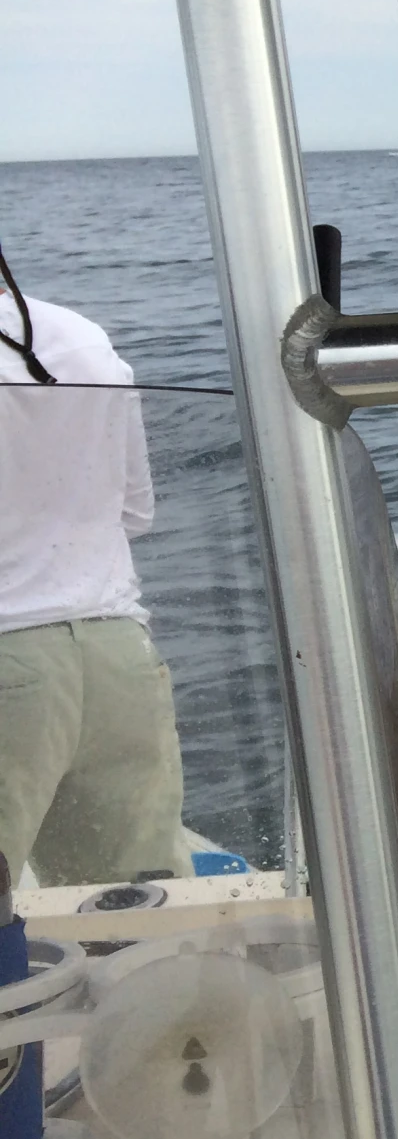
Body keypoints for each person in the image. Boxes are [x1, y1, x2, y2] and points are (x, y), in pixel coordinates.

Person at [0, 269, 186, 890]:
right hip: (117, 655)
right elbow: (134, 511)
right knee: (136, 908)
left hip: (8, 666)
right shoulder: (82, 337)